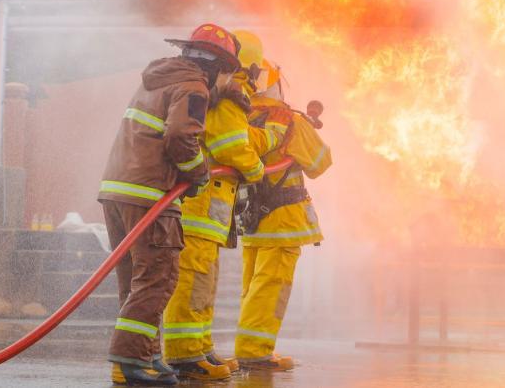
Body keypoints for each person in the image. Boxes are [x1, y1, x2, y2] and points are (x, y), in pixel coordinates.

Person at [98, 23, 240, 386]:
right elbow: (180, 135)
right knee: (158, 278)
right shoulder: (193, 87)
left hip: (117, 191)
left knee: (135, 281)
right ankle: (131, 361)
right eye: (221, 72)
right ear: (212, 66)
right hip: (150, 194)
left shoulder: (157, 79)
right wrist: (197, 173)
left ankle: (143, 357)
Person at [161, 30, 283, 381]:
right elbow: (231, 145)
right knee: (192, 279)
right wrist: (256, 169)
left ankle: (200, 347)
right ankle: (185, 354)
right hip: (200, 209)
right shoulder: (230, 97)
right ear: (252, 68)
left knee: (204, 280)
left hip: (209, 210)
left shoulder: (222, 93)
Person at [234, 50, 332, 371]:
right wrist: (306, 130)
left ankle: (249, 346)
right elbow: (320, 163)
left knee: (252, 285)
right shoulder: (288, 119)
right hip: (284, 220)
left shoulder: (239, 118)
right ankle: (255, 350)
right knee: (271, 286)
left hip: (251, 220)